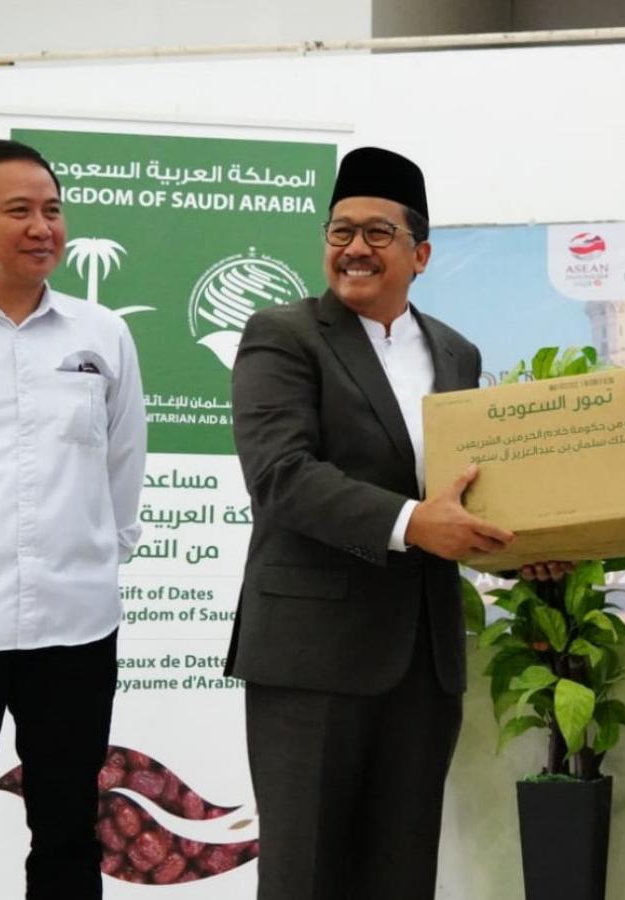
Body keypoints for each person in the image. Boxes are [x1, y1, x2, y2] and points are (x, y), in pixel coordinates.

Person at [226, 146, 513, 900]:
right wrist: (414, 523)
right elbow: (281, 475)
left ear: (421, 254)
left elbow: (466, 487)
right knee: (306, 876)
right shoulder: (283, 334)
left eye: (378, 233)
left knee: (401, 874)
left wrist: (524, 548)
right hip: (312, 656)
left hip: (423, 660)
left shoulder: (456, 352)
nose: (355, 247)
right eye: (341, 231)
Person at [0, 139, 147, 899]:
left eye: (53, 210)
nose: (44, 227)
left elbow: (124, 463)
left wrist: (99, 559)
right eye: (19, 210)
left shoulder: (102, 336)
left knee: (69, 833)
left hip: (76, 627)